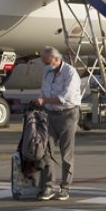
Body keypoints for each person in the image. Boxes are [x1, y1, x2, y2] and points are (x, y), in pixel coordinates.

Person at [34, 46, 82, 201]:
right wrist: (39, 101)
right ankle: (48, 185)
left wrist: (44, 100)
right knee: (45, 149)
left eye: (46, 62)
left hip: (67, 114)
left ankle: (65, 188)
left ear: (55, 59)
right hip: (49, 114)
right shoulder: (47, 73)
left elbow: (64, 97)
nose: (44, 65)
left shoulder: (70, 73)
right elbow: (44, 91)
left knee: (66, 153)